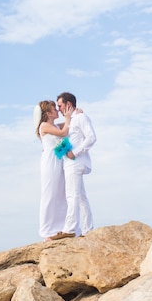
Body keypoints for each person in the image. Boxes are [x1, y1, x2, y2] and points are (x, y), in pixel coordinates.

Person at [52, 92, 96, 240]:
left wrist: (75, 153)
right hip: (70, 163)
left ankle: (70, 229)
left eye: (60, 105)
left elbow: (91, 137)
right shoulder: (69, 121)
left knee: (72, 195)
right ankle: (88, 230)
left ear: (68, 104)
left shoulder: (81, 117)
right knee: (82, 197)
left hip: (75, 162)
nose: (58, 109)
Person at [34, 100, 74, 241]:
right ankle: (46, 231)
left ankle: (60, 228)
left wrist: (75, 114)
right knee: (49, 194)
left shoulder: (54, 125)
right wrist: (67, 118)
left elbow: (71, 126)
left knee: (60, 193)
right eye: (54, 109)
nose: (57, 111)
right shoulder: (44, 126)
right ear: (48, 113)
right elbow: (64, 133)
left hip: (59, 161)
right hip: (49, 161)